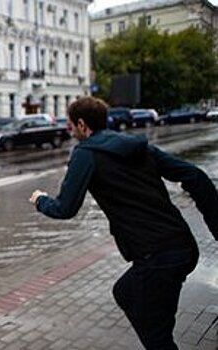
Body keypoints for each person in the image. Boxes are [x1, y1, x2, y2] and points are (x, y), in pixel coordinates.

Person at [29, 97, 218, 349]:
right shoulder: (138, 147)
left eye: (70, 125)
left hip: (156, 257)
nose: (69, 131)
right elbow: (195, 175)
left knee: (156, 335)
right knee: (127, 294)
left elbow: (65, 208)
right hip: (181, 247)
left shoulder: (86, 154)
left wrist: (41, 200)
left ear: (82, 125)